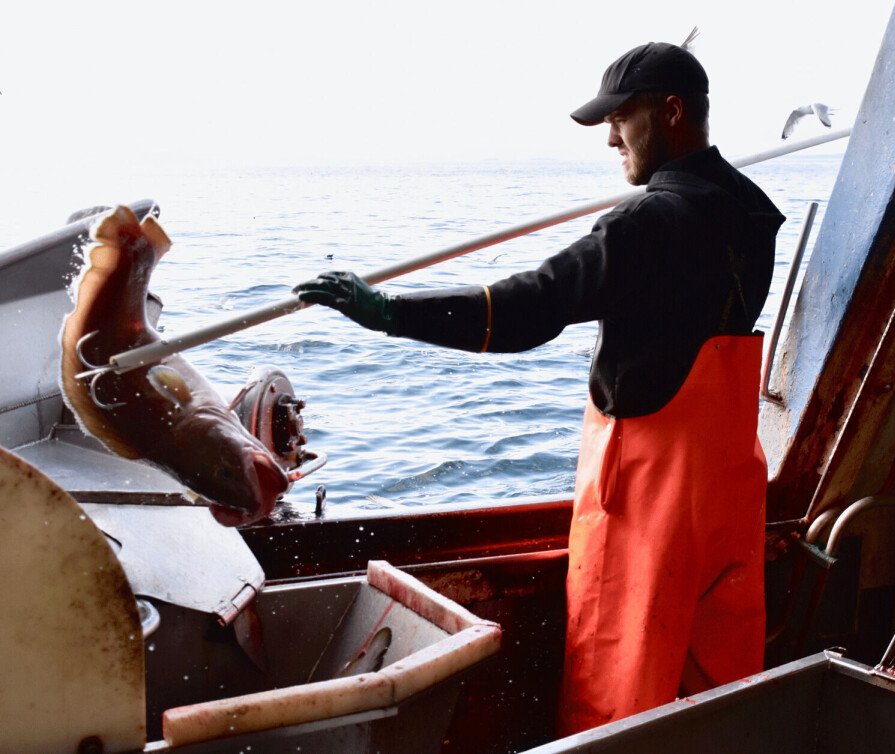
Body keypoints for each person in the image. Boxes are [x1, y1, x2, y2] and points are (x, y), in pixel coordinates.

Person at [294, 41, 785, 736]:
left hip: (649, 501)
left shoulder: (644, 223)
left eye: (624, 117)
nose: (612, 136)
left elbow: (527, 308)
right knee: (721, 687)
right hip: (730, 490)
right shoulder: (755, 212)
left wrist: (388, 314)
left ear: (671, 112)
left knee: (619, 689)